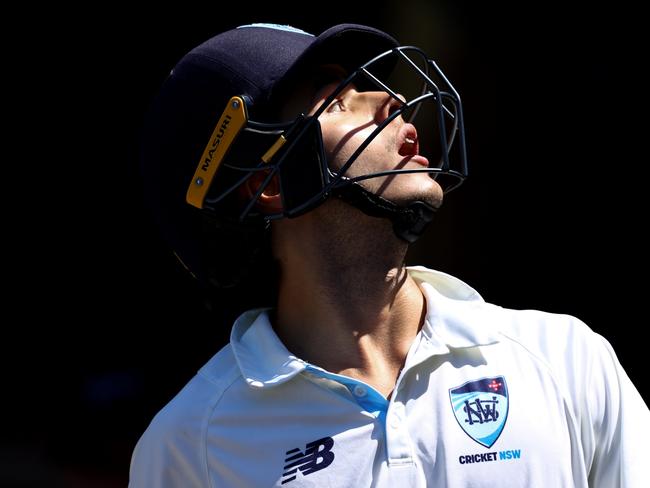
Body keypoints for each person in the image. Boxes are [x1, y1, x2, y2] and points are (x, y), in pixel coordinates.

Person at [130, 22, 649, 487]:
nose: (392, 99)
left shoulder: (569, 361)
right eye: (334, 100)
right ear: (267, 184)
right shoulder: (189, 444)